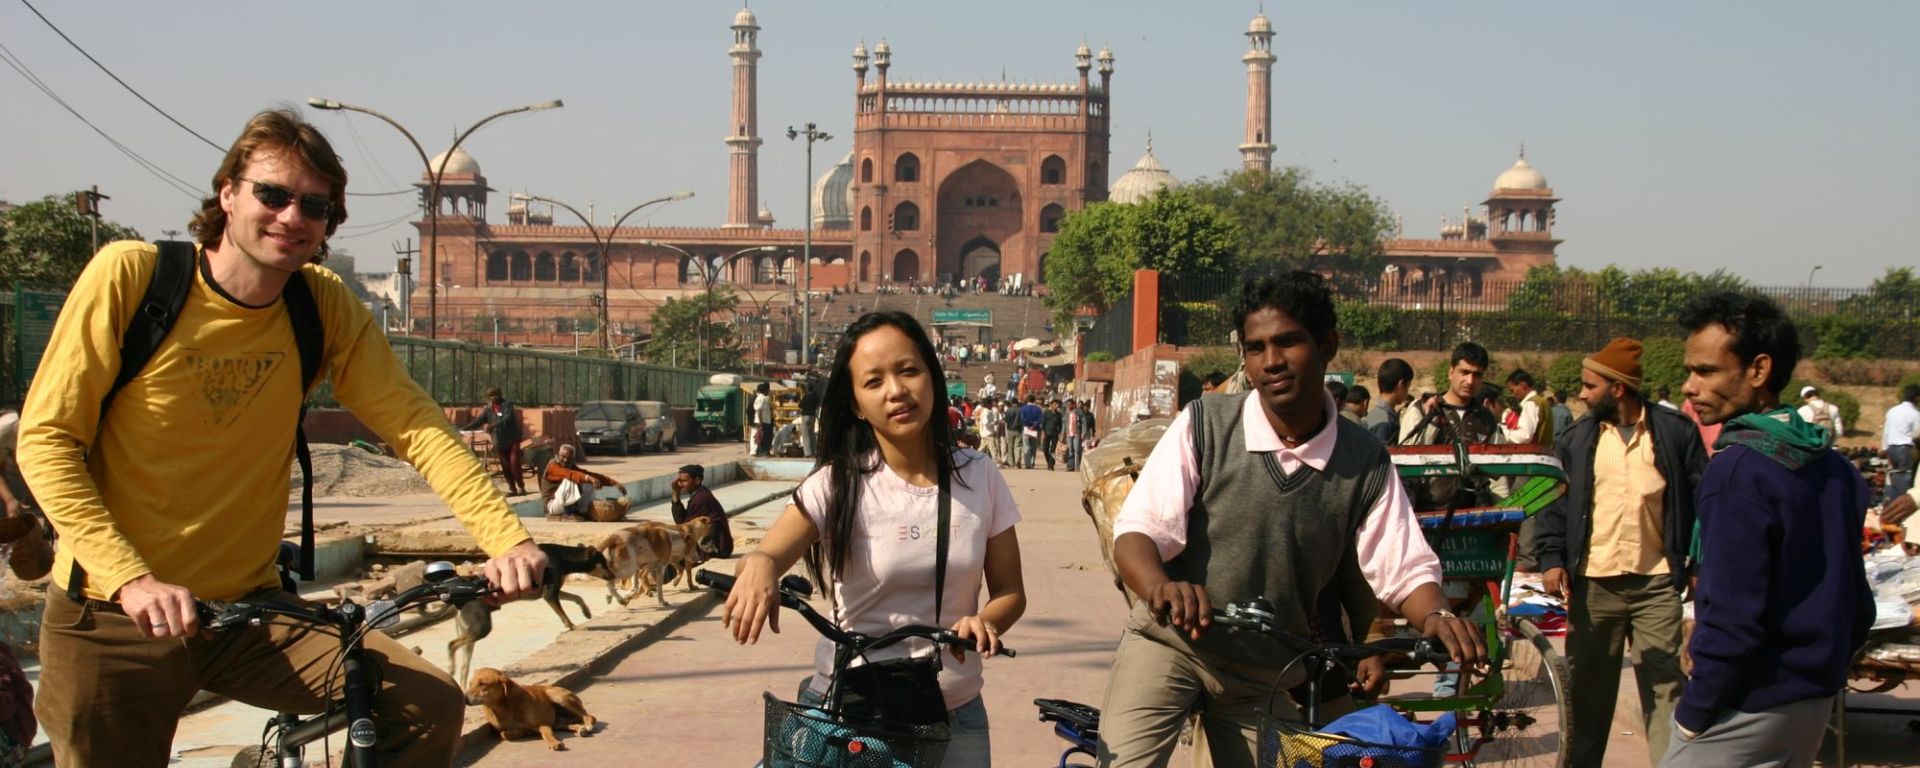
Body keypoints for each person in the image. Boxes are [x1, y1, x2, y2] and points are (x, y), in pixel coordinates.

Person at [14, 109, 547, 767]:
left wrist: (508, 539)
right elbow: (46, 439)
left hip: (250, 613)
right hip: (113, 617)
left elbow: (416, 426)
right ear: (229, 193)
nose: (292, 216)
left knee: (426, 705)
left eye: (315, 205)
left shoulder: (319, 304)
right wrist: (131, 580)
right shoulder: (133, 278)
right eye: (273, 194)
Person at [1098, 272, 1485, 768]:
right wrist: (1161, 587)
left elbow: (1403, 565)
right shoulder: (1206, 423)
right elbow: (1139, 532)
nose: (1271, 362)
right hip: (1170, 646)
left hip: (1267, 670)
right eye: (1255, 348)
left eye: (1287, 342)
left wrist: (1438, 615)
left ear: (1327, 346)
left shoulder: (1364, 460)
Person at [723, 311, 1026, 765]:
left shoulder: (979, 476)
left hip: (955, 713)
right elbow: (767, 553)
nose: (897, 391)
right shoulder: (837, 483)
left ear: (931, 376)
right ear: (856, 405)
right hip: (853, 712)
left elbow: (1010, 591)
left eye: (908, 371)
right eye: (874, 381)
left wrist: (985, 623)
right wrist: (761, 566)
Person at [1665, 292, 1873, 768]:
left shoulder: (1740, 470)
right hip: (1811, 701)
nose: (1689, 387)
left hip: (1749, 702)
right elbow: (1856, 601)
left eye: (1706, 371)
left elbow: (1734, 618)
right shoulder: (1832, 466)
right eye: (1690, 370)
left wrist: (1694, 714)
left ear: (1758, 371)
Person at [1533, 337, 1704, 768]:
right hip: (1595, 586)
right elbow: (1555, 503)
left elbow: (1704, 502)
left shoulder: (1674, 433)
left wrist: (1700, 564)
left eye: (1590, 386)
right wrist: (1552, 559)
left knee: (1665, 687)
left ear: (1618, 388)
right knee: (1589, 692)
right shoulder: (1577, 439)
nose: (1582, 394)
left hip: (1657, 583)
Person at [1401, 342, 1497, 445]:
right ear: (1451, 372)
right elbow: (1405, 454)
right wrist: (1431, 422)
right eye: (1464, 372)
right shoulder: (1421, 409)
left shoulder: (1486, 419)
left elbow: (1499, 458)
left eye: (1477, 375)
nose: (1470, 381)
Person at [465, 386, 528, 496]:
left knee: (514, 464)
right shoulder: (488, 410)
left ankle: (521, 487)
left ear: (500, 394)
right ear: (488, 397)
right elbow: (479, 420)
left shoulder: (507, 404)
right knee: (505, 466)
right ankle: (512, 488)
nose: (494, 397)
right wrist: (465, 428)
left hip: (512, 440)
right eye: (491, 396)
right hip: (499, 442)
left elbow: (507, 418)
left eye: (496, 395)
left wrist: (492, 425)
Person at [671, 464, 734, 559]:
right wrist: (675, 494)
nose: (679, 485)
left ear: (697, 481)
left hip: (718, 548)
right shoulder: (699, 494)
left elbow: (683, 526)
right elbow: (683, 522)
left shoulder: (701, 499)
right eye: (679, 481)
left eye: (684, 481)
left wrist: (676, 495)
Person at [542, 443, 617, 520]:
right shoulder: (553, 465)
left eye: (569, 458)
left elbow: (587, 474)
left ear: (573, 459)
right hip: (551, 506)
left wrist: (613, 482)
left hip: (561, 504)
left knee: (588, 482)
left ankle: (584, 510)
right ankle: (569, 513)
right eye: (563, 457)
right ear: (557, 455)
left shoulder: (570, 466)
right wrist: (589, 478)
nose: (565, 460)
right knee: (570, 479)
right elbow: (570, 474)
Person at [1883, 384, 1920, 511]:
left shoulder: (1892, 411)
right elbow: (1917, 435)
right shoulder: (1915, 414)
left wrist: (1885, 448)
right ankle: (1901, 509)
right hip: (1906, 449)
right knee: (1906, 479)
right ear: (1916, 398)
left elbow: (1886, 432)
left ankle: (1893, 503)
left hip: (1892, 448)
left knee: (1894, 476)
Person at [1499, 369, 1554, 446]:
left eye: (1512, 390)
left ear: (1523, 385)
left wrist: (1503, 432)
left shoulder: (1530, 404)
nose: (1512, 394)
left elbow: (1525, 436)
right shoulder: (1541, 402)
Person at [1366, 358, 1413, 446]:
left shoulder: (1375, 414)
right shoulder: (1385, 421)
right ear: (1401, 384)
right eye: (1408, 386)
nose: (1407, 392)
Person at [1020, 395, 1044, 470]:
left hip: (1026, 428)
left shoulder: (1023, 409)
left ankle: (1027, 464)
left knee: (1027, 446)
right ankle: (1032, 462)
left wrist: (1028, 424)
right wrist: (1034, 425)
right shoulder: (1038, 409)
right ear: (1034, 400)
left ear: (1027, 400)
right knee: (1034, 446)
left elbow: (1023, 419)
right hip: (1035, 429)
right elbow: (1040, 419)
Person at [797, 384, 821, 458]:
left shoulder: (807, 396)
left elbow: (800, 405)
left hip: (806, 416)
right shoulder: (816, 396)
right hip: (813, 416)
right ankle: (814, 451)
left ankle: (808, 453)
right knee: (812, 434)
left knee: (806, 435)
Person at [1064, 396, 1086, 472]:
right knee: (1070, 450)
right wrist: (1062, 434)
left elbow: (1083, 422)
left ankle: (1077, 467)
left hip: (1077, 433)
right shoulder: (1066, 412)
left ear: (1073, 405)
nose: (1068, 406)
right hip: (1068, 433)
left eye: (1069, 404)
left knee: (1077, 450)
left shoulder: (1079, 412)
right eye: (1067, 405)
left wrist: (1083, 432)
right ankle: (1070, 466)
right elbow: (1064, 423)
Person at [752, 382, 774, 457]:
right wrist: (761, 422)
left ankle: (763, 452)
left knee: (764, 437)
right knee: (763, 438)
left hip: (766, 420)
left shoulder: (764, 398)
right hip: (762, 421)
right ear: (765, 390)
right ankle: (762, 452)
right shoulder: (761, 398)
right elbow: (759, 411)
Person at [1041, 399, 1064, 471]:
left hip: (1055, 434)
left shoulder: (1059, 415)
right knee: (1045, 449)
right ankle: (1049, 462)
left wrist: (1060, 433)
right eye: (1055, 404)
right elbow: (1043, 424)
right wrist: (1042, 433)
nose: (1057, 406)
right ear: (1051, 405)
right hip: (1046, 433)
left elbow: (1060, 425)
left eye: (1057, 404)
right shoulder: (1046, 413)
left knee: (1052, 450)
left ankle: (1051, 465)